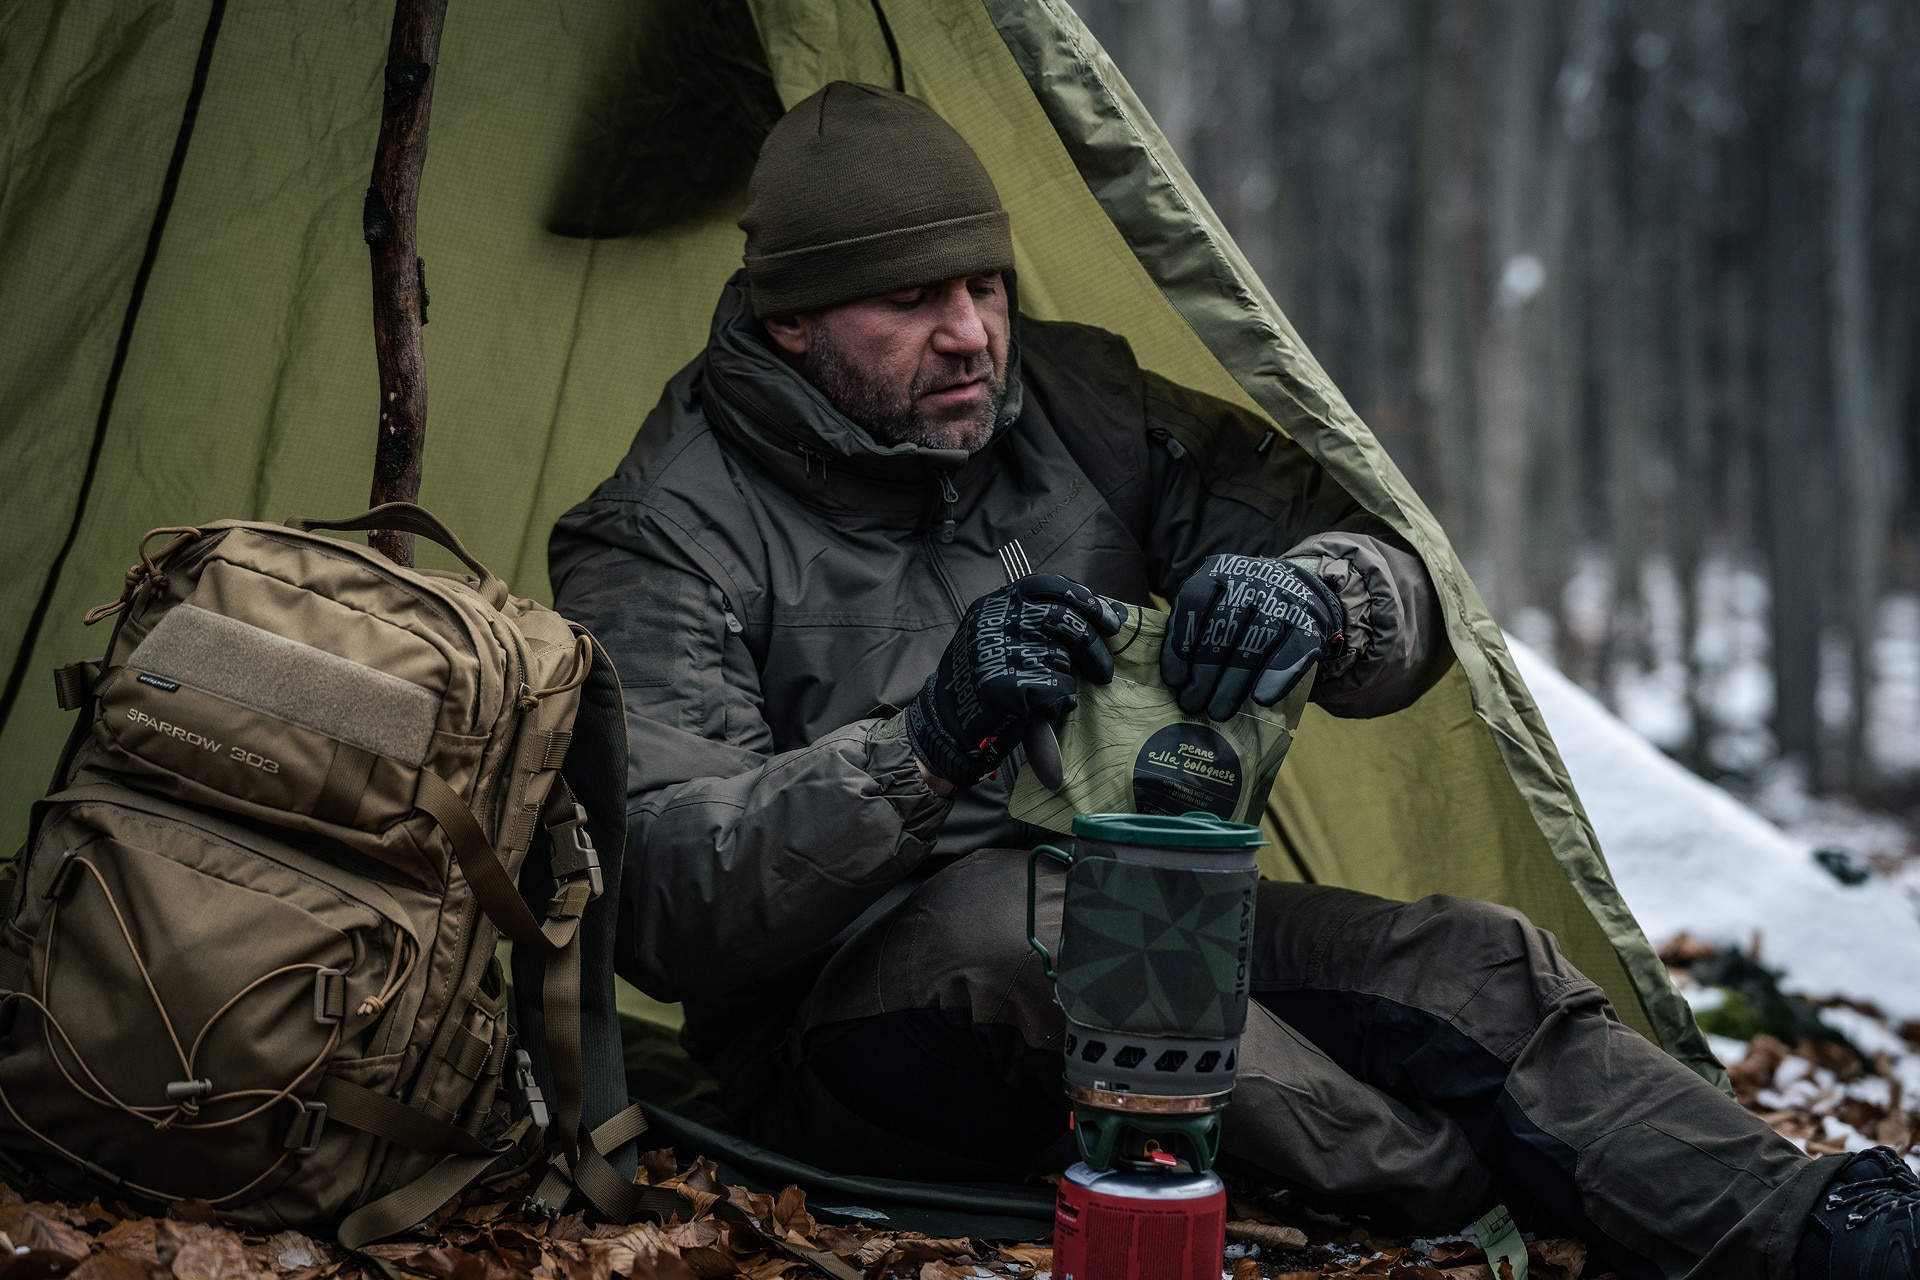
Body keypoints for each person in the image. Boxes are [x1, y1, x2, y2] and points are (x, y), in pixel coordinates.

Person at [550, 82, 1920, 1279]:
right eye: (912, 300)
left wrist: (1315, 599)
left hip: (1142, 905)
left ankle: (1817, 1226)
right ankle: (1475, 1190)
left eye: (986, 287)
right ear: (793, 322)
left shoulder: (1070, 407)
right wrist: (921, 746)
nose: (971, 334)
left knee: (1464, 967)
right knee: (1048, 940)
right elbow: (659, 896)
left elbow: (1389, 561)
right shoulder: (662, 532)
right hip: (848, 1035)